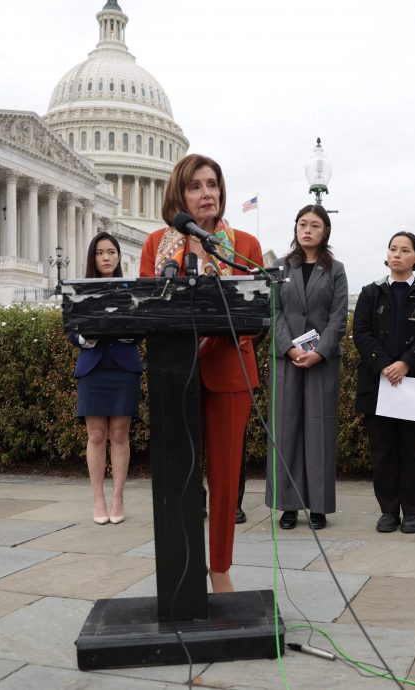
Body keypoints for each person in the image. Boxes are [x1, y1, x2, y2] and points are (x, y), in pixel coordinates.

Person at [139, 153, 264, 591]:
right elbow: (145, 311)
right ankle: (182, 570)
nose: (206, 193)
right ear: (179, 194)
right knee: (180, 476)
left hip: (230, 372)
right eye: (196, 186)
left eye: (212, 184)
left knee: (227, 479)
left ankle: (221, 570)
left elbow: (257, 309)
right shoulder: (157, 244)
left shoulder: (244, 244)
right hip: (175, 374)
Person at [353, 232, 415, 534]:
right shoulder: (371, 292)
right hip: (378, 383)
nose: (397, 254)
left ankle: (412, 512)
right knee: (382, 452)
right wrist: (384, 365)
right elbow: (361, 333)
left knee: (412, 451)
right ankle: (388, 511)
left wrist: (407, 362)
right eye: (393, 249)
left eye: (405, 250)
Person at [266, 205, 348, 530]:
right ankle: (288, 505)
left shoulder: (336, 269)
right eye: (303, 224)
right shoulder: (280, 266)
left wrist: (320, 351)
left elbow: (339, 316)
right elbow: (272, 311)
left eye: (315, 225)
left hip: (321, 362)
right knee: (286, 431)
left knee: (319, 432)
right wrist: (288, 347)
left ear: (325, 231)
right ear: (296, 228)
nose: (308, 230)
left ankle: (318, 505)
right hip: (287, 359)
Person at [71, 232, 142, 526]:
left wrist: (124, 328)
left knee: (119, 435)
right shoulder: (80, 290)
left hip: (123, 367)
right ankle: (98, 498)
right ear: (93, 258)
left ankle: (118, 497)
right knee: (97, 435)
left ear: (118, 256)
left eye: (111, 252)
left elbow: (141, 328)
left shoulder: (130, 290)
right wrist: (88, 335)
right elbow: (71, 331)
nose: (106, 257)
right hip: (93, 367)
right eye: (100, 253)